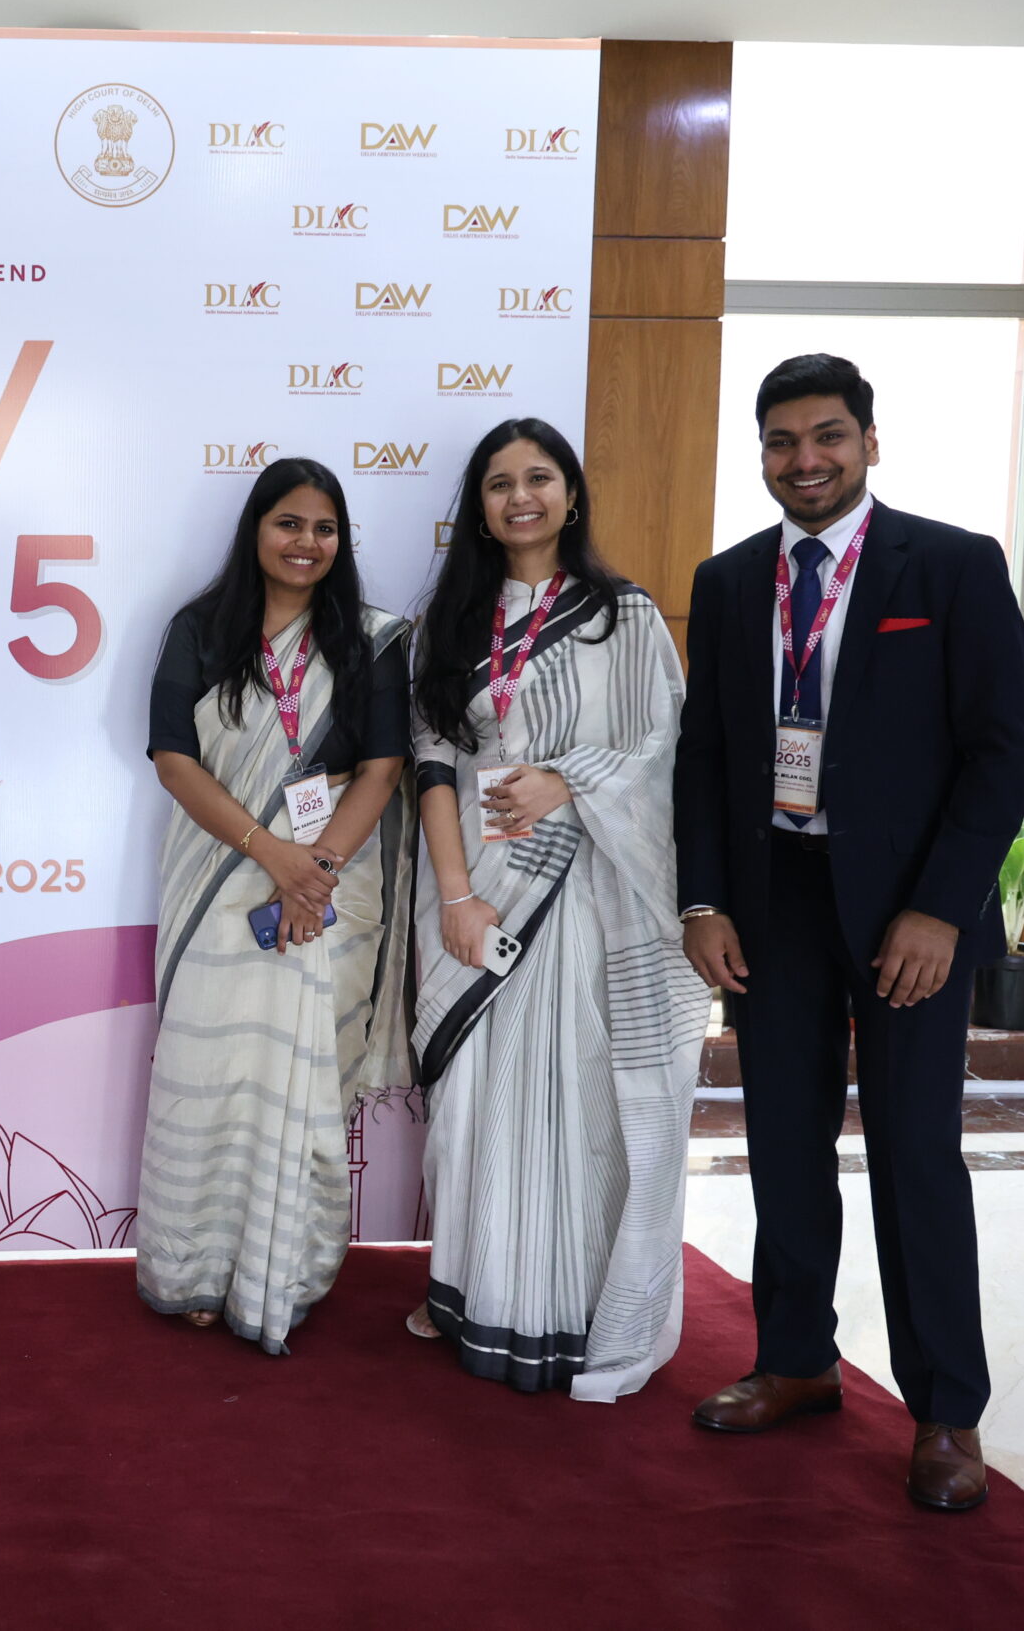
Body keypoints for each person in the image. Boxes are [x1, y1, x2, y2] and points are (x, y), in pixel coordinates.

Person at [674, 355, 1024, 1510]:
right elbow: (704, 756)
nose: (805, 460)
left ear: (869, 443)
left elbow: (1000, 749)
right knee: (782, 1142)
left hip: (906, 911)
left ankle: (946, 1411)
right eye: (781, 441)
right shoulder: (729, 581)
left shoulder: (953, 565)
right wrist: (703, 900)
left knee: (913, 1153)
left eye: (826, 436)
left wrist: (940, 909)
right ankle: (795, 1361)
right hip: (772, 901)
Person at [404, 417, 707, 1399]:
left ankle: (565, 1306)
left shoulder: (623, 617)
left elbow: (666, 749)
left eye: (539, 477)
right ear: (478, 509)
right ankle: (473, 1291)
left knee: (571, 1099)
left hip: (583, 893)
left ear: (571, 495)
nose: (520, 496)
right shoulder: (449, 624)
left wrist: (568, 780)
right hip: (470, 890)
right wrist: (456, 897)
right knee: (472, 1105)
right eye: (499, 483)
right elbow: (431, 764)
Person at [135, 457, 414, 1353]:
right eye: (288, 523)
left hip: (331, 888)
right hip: (224, 878)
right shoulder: (202, 628)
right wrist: (273, 855)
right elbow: (173, 758)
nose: (307, 542)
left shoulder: (370, 639)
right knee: (211, 1072)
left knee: (308, 1078)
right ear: (256, 528)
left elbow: (383, 767)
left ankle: (282, 1270)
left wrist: (315, 870)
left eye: (325, 528)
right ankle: (196, 1265)